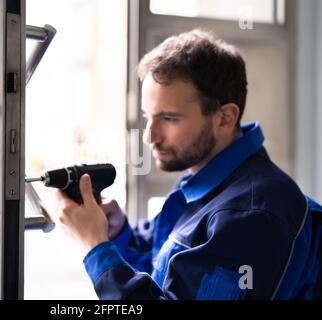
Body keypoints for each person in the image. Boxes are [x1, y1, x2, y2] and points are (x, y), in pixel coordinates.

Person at [53, 28, 322, 300]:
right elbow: (166, 269)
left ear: (225, 118)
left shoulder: (250, 214)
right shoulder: (207, 179)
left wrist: (95, 247)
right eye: (148, 116)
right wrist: (117, 232)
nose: (149, 136)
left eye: (169, 118)